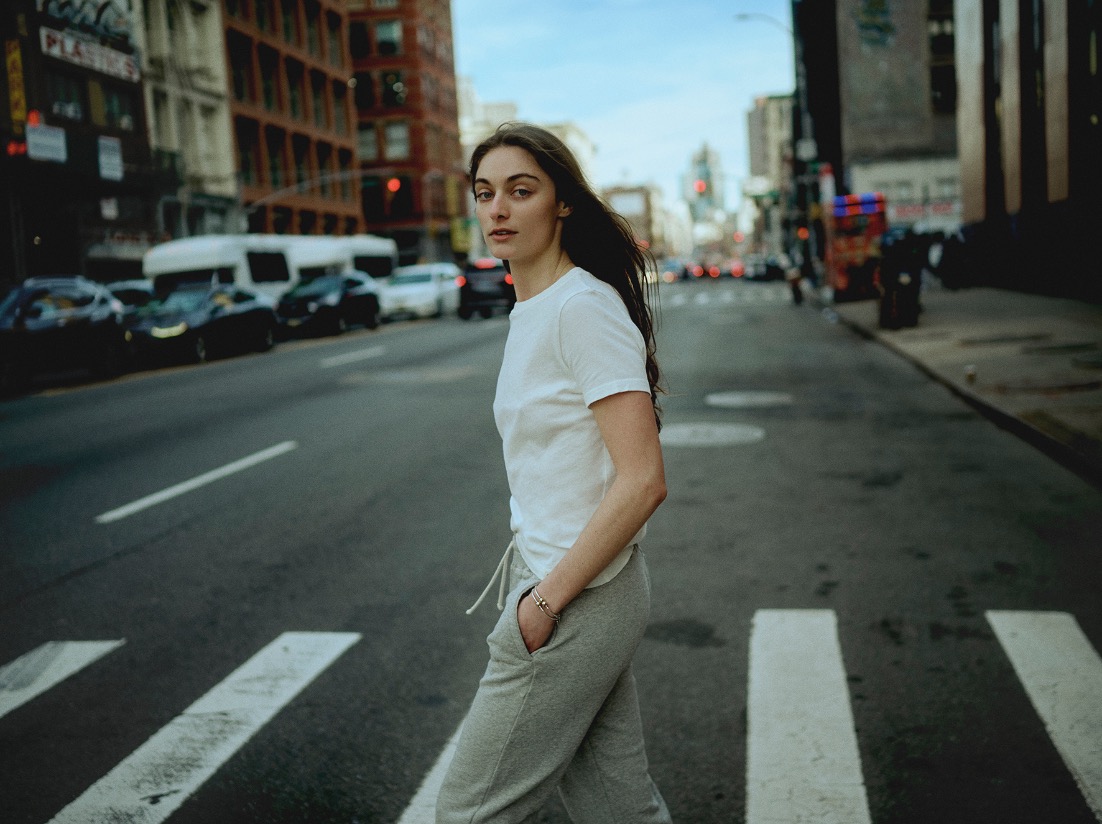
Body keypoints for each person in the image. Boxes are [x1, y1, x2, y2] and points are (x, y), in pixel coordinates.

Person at [436, 122, 673, 824]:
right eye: (485, 193)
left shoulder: (582, 307)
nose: (498, 210)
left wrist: (543, 606)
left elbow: (643, 480)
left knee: (469, 812)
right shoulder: (536, 308)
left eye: (520, 190)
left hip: (575, 593)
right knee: (619, 810)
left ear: (561, 201)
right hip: (562, 580)